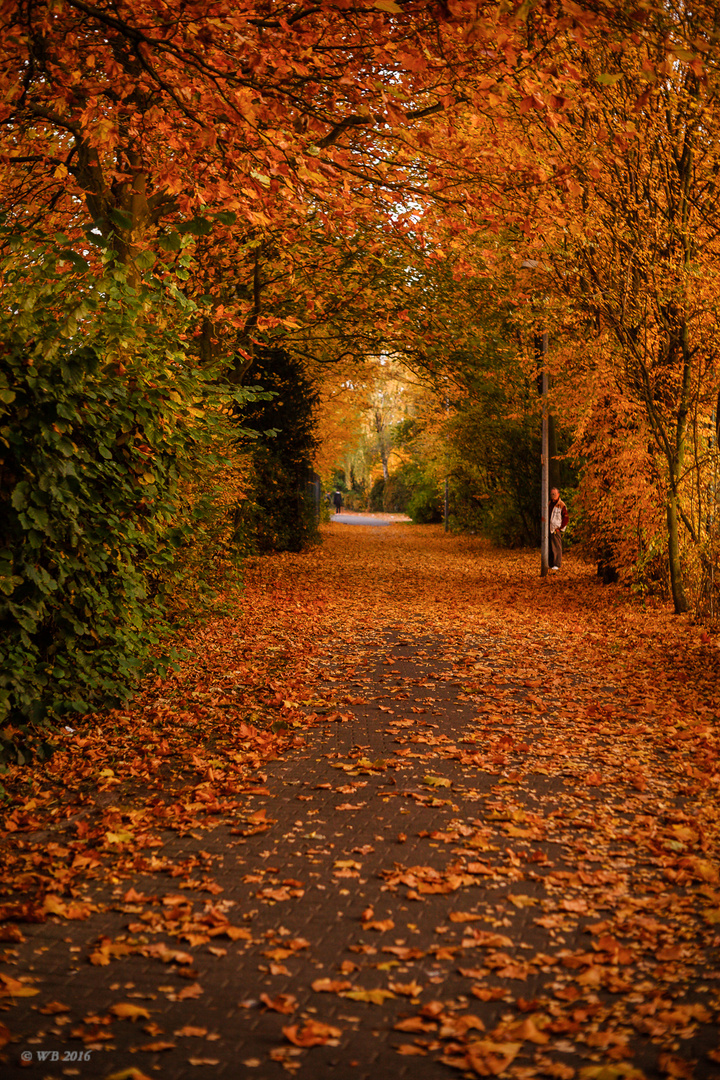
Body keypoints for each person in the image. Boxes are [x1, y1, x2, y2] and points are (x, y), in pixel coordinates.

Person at [548, 487, 569, 571]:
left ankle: (557, 564)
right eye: (552, 494)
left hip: (556, 529)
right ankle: (550, 564)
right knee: (549, 547)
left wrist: (560, 528)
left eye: (554, 494)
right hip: (549, 528)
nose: (553, 495)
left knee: (556, 547)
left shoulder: (561, 505)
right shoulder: (549, 503)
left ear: (558, 494)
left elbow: (566, 518)